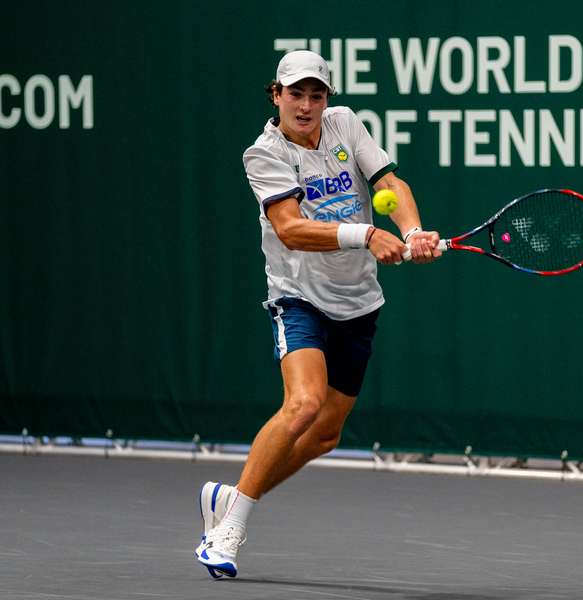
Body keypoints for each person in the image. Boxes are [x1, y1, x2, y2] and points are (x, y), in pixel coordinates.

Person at [194, 50, 441, 578]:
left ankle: (231, 495)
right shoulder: (262, 154)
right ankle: (229, 531)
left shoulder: (345, 124)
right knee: (303, 404)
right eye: (295, 94)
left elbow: (389, 185)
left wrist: (414, 229)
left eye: (316, 94)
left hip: (358, 301)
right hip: (298, 295)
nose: (306, 105)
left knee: (325, 435)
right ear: (276, 95)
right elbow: (289, 228)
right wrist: (368, 234)